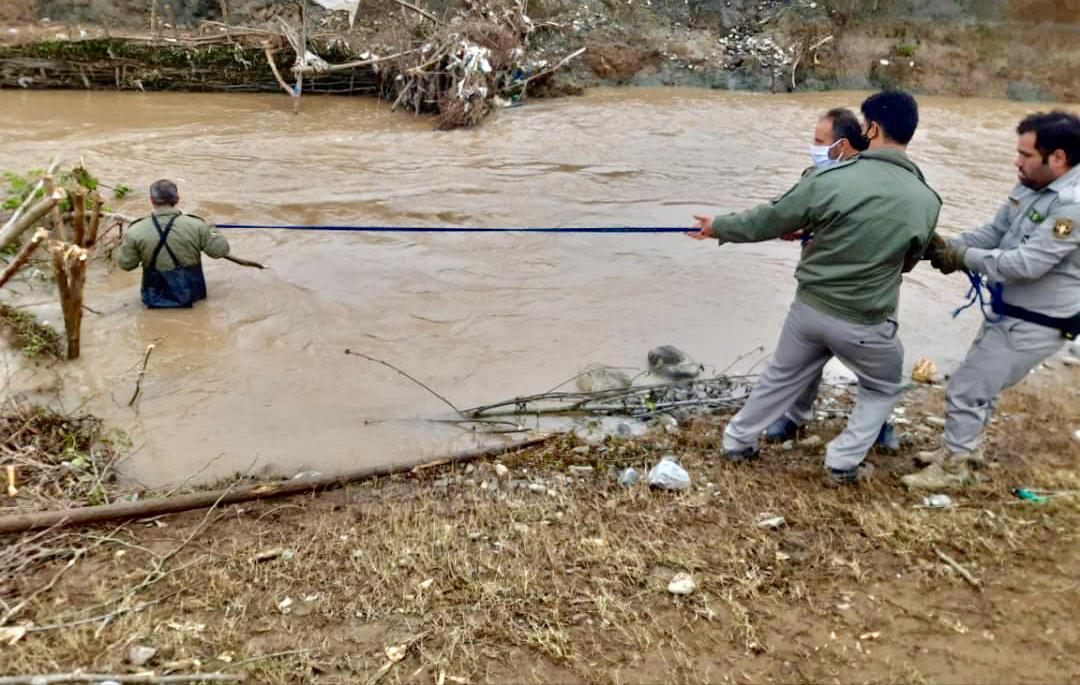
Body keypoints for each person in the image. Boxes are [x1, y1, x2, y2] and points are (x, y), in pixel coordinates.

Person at [688, 90, 942, 485]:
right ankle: (841, 461)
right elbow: (908, 261)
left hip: (809, 311)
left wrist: (717, 226)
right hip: (867, 321)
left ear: (870, 128)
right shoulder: (926, 199)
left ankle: (737, 441)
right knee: (882, 386)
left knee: (779, 376)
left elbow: (770, 219)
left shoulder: (829, 178)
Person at [902, 111, 1080, 490]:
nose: (1017, 162)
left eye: (1026, 154)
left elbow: (1027, 264)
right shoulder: (1032, 185)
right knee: (982, 382)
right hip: (1009, 309)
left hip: (1038, 319)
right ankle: (964, 449)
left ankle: (953, 469)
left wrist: (962, 258)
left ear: (1059, 158)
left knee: (967, 387)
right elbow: (995, 233)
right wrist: (948, 245)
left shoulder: (1071, 205)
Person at [769, 108, 900, 452]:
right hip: (818, 286)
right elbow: (785, 209)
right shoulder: (815, 175)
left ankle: (879, 424)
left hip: (867, 291)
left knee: (873, 362)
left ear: (842, 145)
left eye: (819, 141)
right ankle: (795, 416)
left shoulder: (880, 180)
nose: (813, 147)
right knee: (804, 356)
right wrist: (793, 226)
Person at [116, 179, 230, 308]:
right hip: (193, 297)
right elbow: (220, 251)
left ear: (152, 200)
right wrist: (212, 230)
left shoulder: (135, 230)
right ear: (177, 199)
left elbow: (126, 264)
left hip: (153, 299)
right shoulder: (197, 225)